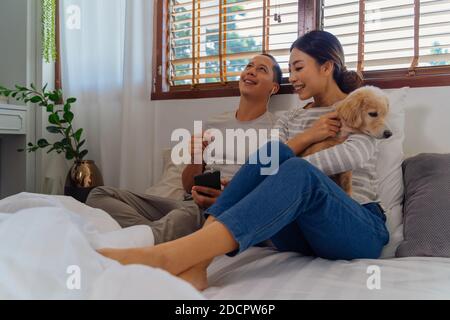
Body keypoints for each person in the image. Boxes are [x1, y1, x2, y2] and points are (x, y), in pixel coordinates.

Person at [98, 31, 390, 291]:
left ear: (326, 67)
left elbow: (340, 158)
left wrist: (281, 173)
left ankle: (171, 256)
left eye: (299, 67)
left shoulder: (362, 105)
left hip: (357, 225)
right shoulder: (292, 118)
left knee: (293, 168)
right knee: (270, 155)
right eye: (290, 69)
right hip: (304, 236)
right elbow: (265, 165)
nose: (293, 77)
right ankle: (199, 264)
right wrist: (306, 139)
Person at [86, 53, 282, 245]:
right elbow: (188, 186)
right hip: (190, 204)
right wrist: (196, 157)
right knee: (99, 195)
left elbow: (269, 192)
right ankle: (160, 233)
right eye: (248, 66)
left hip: (225, 210)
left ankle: (158, 238)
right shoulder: (215, 123)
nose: (251, 72)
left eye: (261, 69)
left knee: (183, 216)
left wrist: (229, 198)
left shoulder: (276, 130)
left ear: (274, 88)